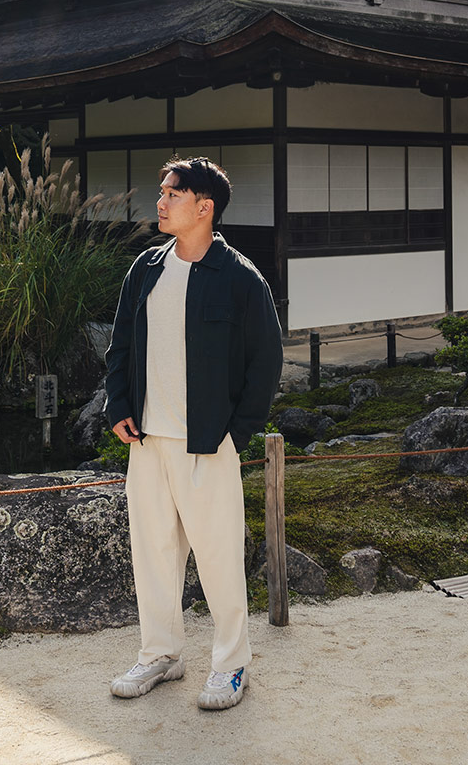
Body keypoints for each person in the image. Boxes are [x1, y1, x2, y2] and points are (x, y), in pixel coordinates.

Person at [103, 156, 282, 711]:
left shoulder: (240, 278)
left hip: (208, 443)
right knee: (152, 553)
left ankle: (231, 666)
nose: (160, 202)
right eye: (162, 193)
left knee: (220, 558)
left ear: (204, 207)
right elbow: (121, 347)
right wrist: (120, 405)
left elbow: (266, 362)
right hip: (148, 440)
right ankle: (162, 653)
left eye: (172, 194)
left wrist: (238, 434)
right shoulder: (146, 269)